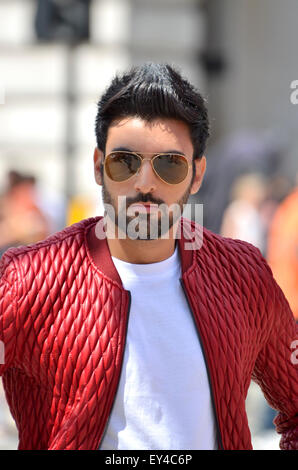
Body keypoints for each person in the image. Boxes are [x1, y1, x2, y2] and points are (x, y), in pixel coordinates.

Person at [0, 63, 297, 451]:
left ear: (196, 174)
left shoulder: (242, 274)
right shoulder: (27, 279)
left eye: (169, 165)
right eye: (124, 161)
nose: (144, 184)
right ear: (97, 166)